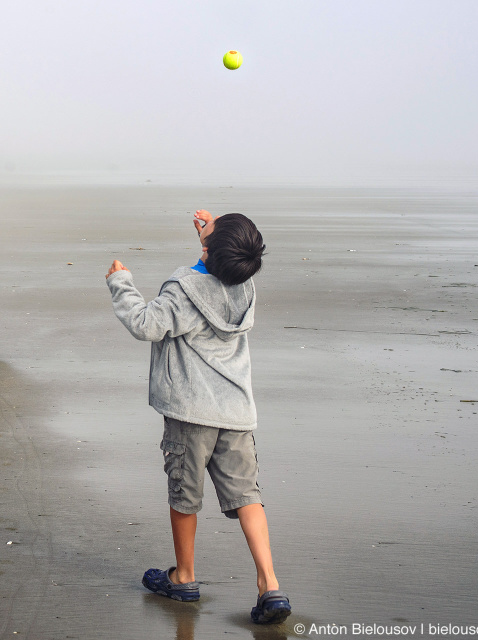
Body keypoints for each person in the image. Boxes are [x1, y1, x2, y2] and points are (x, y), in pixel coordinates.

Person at [105, 209, 291, 625]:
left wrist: (121, 284)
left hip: (192, 412)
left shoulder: (185, 289)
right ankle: (269, 583)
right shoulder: (244, 284)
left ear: (208, 249)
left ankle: (184, 577)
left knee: (184, 495)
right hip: (237, 410)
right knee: (247, 496)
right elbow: (216, 269)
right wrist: (209, 238)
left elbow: (146, 323)